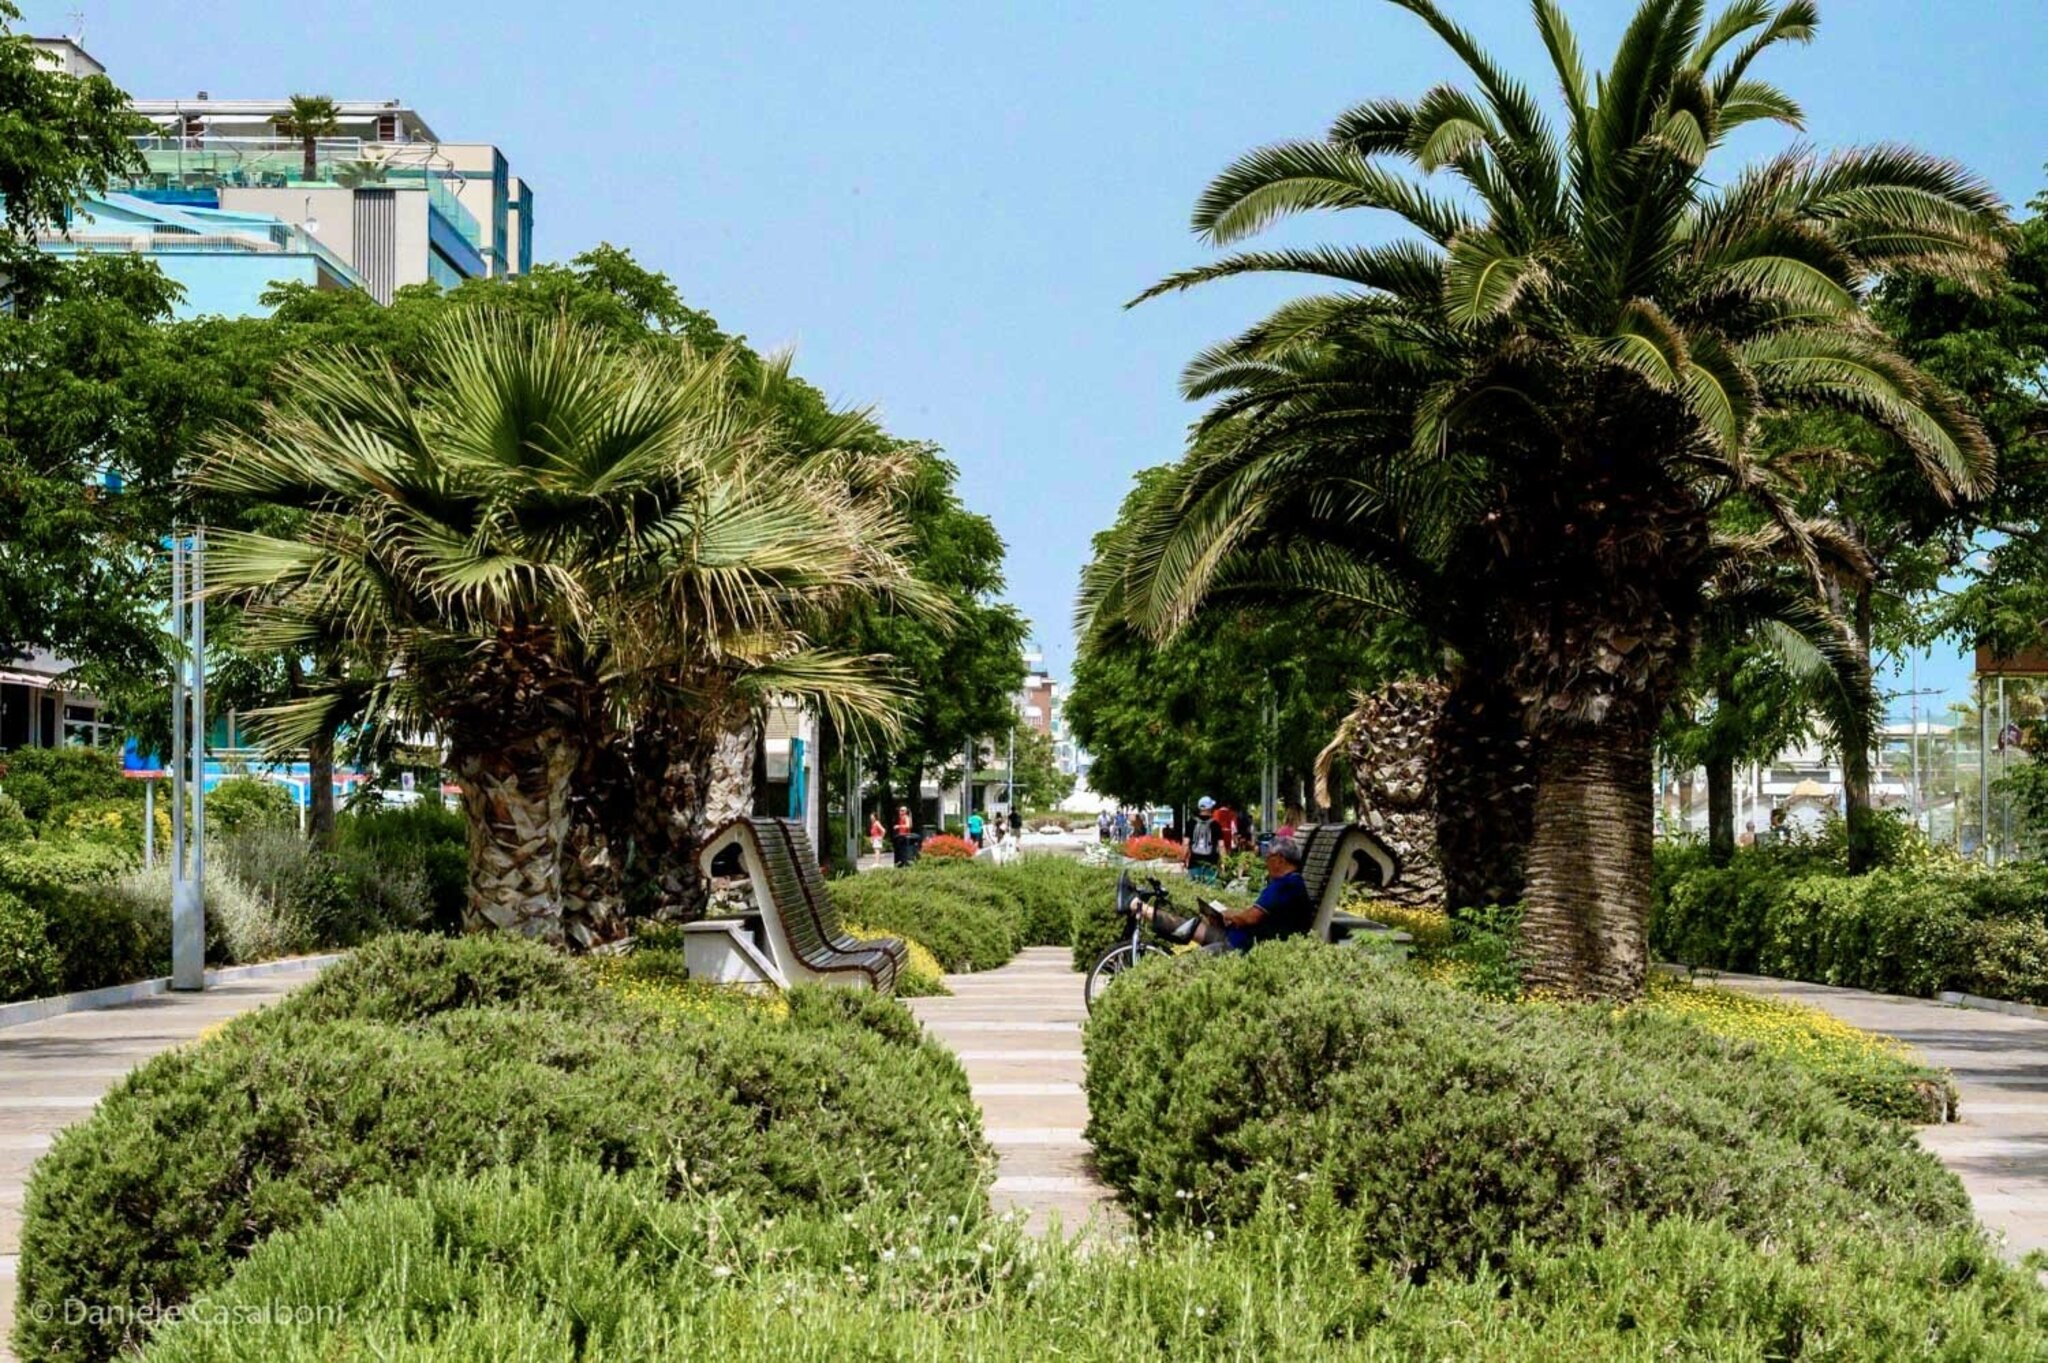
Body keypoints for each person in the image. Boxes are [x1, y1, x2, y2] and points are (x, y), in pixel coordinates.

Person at [1137, 836, 1315, 952]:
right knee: (1191, 924)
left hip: (1240, 945)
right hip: (1237, 938)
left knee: (1189, 962)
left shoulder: (1285, 885)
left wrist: (1229, 916)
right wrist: (1228, 915)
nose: (1265, 861)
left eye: (1268, 857)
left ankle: (1138, 907)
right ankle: (1141, 908)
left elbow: (1250, 918)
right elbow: (1256, 915)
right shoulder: (1290, 883)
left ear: (1280, 860)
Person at [1187, 796, 1223, 883]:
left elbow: (1185, 844)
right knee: (1210, 889)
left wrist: (1183, 859)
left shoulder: (1191, 823)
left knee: (1193, 888)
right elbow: (1221, 846)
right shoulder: (1216, 825)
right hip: (1211, 864)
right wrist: (1223, 862)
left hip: (1194, 863)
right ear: (1210, 808)